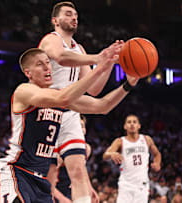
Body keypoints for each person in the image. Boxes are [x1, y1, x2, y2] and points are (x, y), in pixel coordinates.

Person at [0, 48, 138, 203]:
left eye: (48, 63)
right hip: (18, 172)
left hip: (41, 180)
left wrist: (128, 85)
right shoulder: (24, 91)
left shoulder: (59, 95)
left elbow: (102, 106)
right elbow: (62, 98)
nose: (47, 68)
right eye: (40, 65)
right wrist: (100, 67)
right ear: (28, 73)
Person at [38, 2, 124, 202]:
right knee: (43, 177)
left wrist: (108, 63)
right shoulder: (51, 39)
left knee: (77, 170)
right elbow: (60, 57)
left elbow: (93, 89)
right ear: (55, 21)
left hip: (70, 113)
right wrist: (97, 57)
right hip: (44, 111)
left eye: (75, 15)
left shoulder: (80, 49)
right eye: (68, 14)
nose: (74, 18)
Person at [103, 114, 162, 203]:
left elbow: (157, 154)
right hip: (126, 184)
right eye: (129, 122)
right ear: (125, 126)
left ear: (139, 126)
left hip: (142, 184)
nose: (132, 124)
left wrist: (157, 163)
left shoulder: (146, 139)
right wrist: (112, 154)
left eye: (134, 122)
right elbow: (105, 155)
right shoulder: (120, 141)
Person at [53, 115, 91, 203]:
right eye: (77, 126)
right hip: (55, 192)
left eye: (82, 126)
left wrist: (90, 188)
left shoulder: (86, 148)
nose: (80, 129)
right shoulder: (57, 150)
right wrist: (61, 198)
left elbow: (82, 172)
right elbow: (47, 180)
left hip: (72, 191)